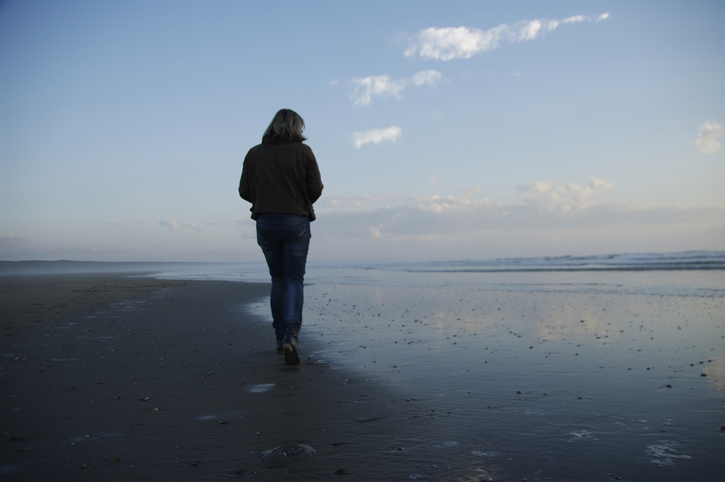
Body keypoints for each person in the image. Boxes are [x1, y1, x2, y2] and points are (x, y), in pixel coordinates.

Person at [238, 109, 323, 365]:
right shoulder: (303, 153)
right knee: (294, 279)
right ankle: (291, 335)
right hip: (295, 219)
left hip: (265, 220)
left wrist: (264, 201)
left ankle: (279, 337)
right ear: (297, 127)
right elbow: (315, 188)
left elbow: (244, 190)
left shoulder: (255, 153)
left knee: (278, 279)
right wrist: (299, 202)